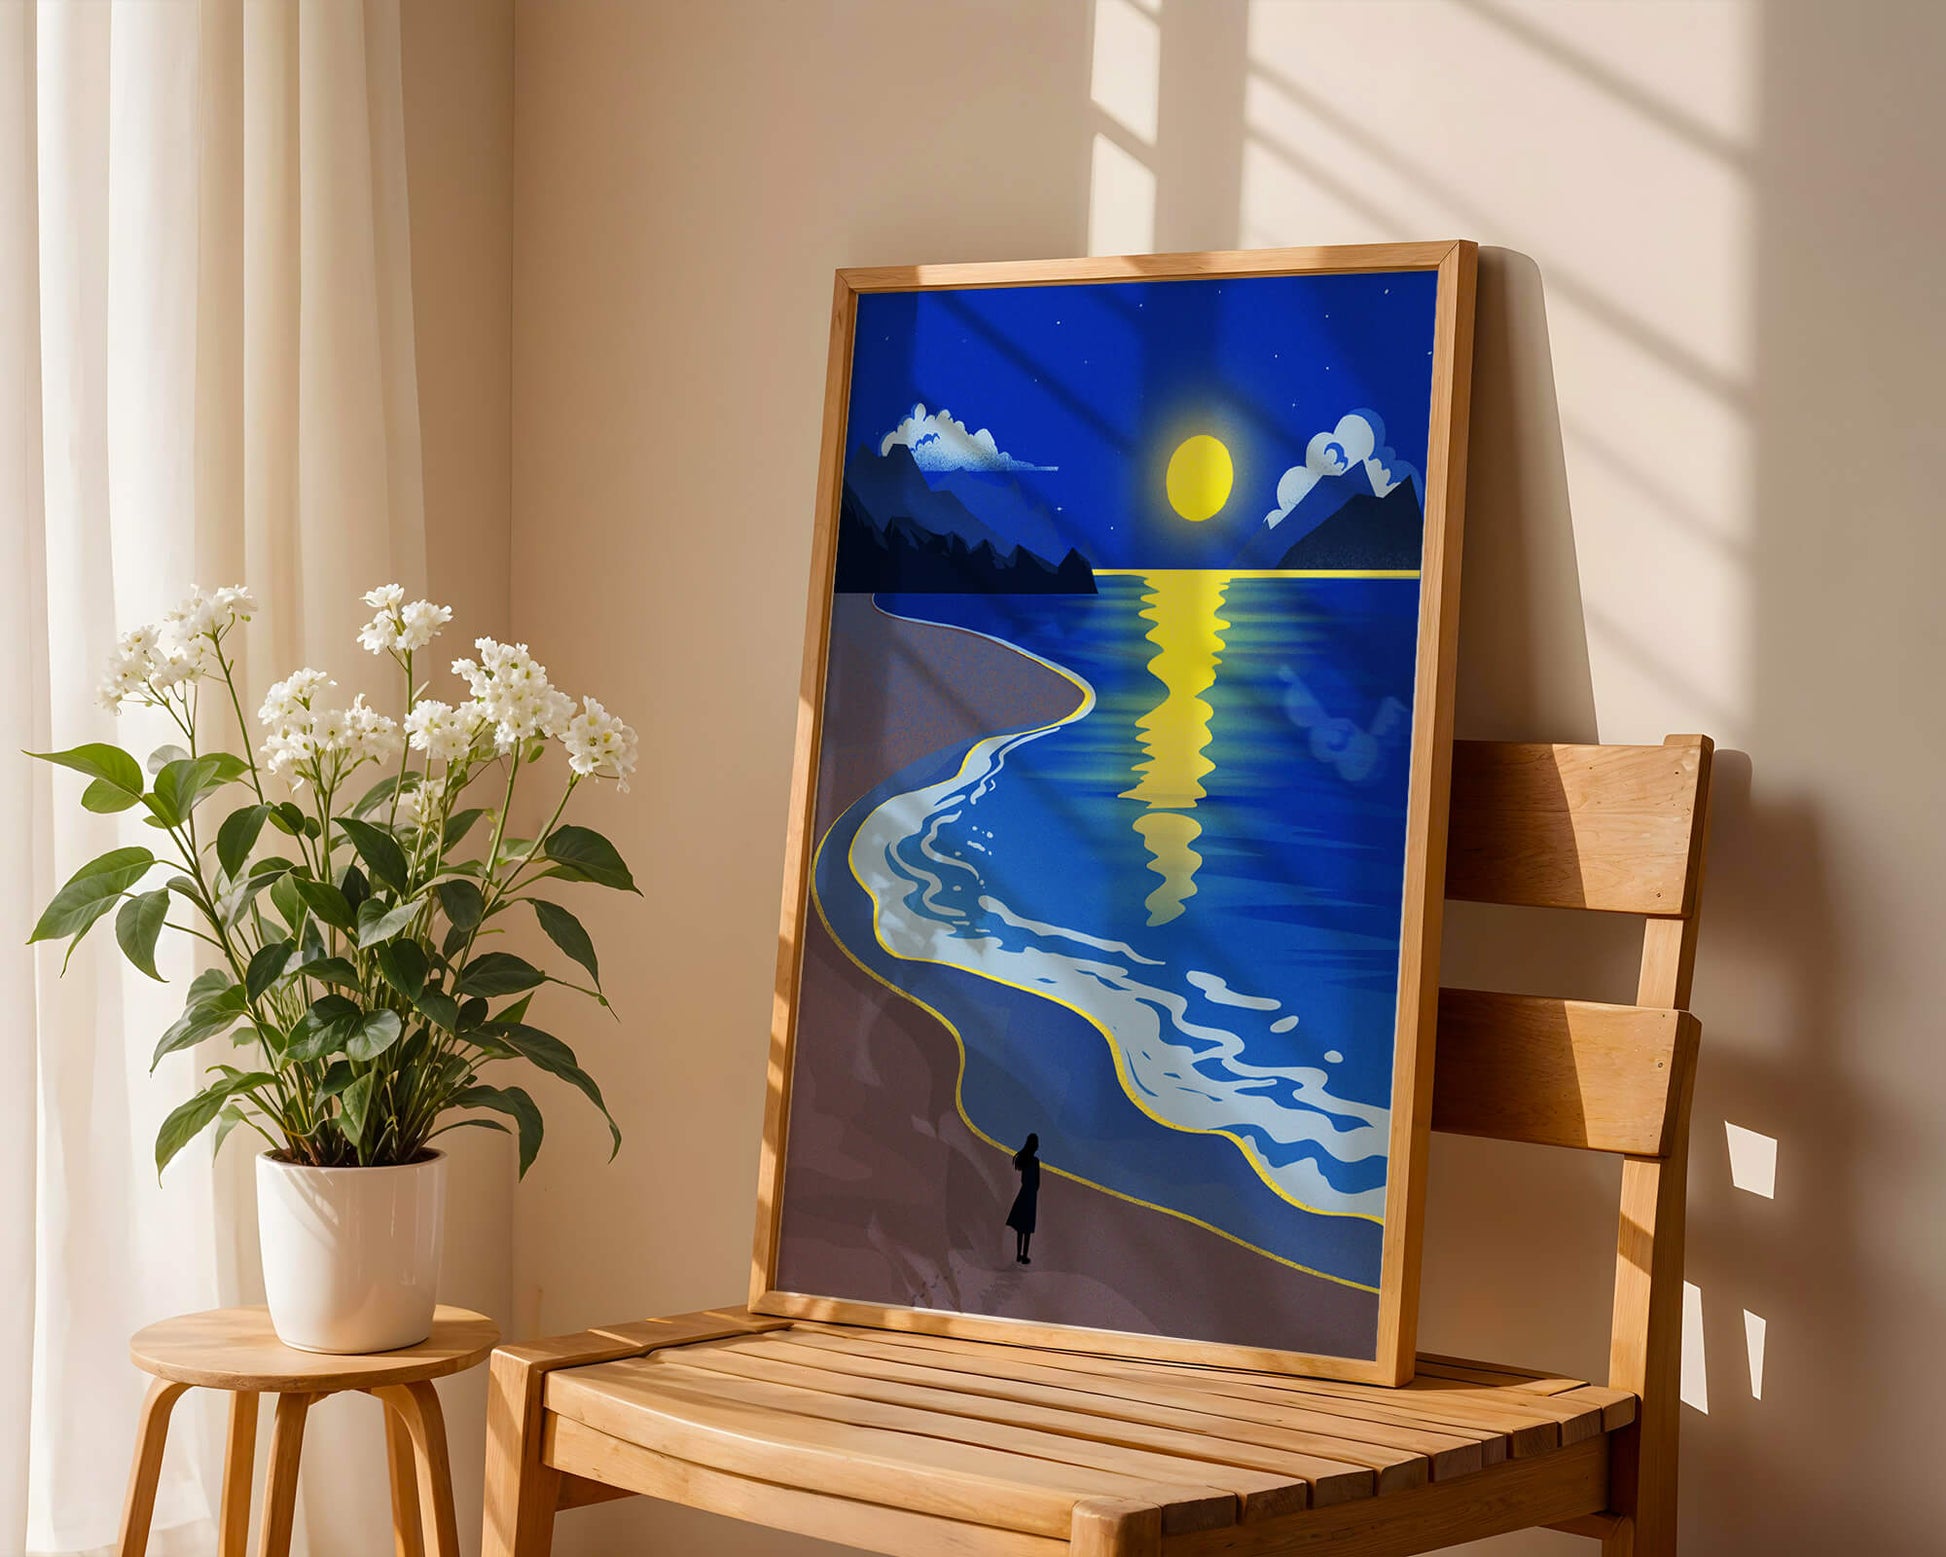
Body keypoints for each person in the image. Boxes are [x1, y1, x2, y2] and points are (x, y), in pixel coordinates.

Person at [1006, 1132, 1040, 1265]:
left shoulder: (1025, 1160)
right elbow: (1037, 1182)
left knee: (1021, 1227)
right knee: (1027, 1228)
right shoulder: (1035, 1161)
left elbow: (1023, 1178)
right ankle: (1024, 1255)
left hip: (1024, 1192)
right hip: (1031, 1195)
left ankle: (1018, 1254)